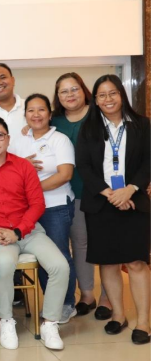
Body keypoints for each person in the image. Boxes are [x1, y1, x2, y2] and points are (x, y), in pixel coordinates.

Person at [0, 116, 69, 350]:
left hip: (29, 231)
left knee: (60, 266)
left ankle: (50, 323)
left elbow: (37, 204)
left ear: (8, 138)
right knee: (4, 266)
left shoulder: (23, 166)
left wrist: (18, 230)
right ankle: (6, 320)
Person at [76, 75, 150, 345]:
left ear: (122, 94)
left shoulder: (143, 125)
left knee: (136, 262)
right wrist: (109, 193)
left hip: (134, 201)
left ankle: (144, 321)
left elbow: (147, 163)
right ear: (95, 100)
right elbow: (83, 166)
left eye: (112, 93)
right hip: (101, 202)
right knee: (107, 262)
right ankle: (118, 315)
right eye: (101, 95)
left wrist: (129, 189)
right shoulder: (89, 128)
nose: (108, 99)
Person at [10, 94, 78, 323]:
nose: (36, 115)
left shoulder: (60, 140)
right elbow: (7, 169)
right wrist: (23, 167)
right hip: (25, 210)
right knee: (41, 257)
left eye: (41, 110)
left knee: (58, 256)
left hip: (55, 207)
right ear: (25, 115)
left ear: (50, 114)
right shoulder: (18, 141)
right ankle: (51, 302)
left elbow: (65, 174)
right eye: (31, 110)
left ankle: (67, 304)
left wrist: (31, 187)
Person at [50, 73, 110, 318]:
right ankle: (87, 294)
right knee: (81, 245)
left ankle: (108, 296)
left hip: (105, 191)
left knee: (107, 244)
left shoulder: (101, 116)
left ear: (84, 90)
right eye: (64, 91)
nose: (70, 95)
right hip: (72, 192)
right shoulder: (54, 121)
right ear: (58, 96)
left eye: (74, 89)